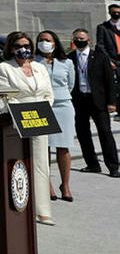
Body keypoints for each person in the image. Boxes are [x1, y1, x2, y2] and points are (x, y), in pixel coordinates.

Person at [0, 31, 55, 224]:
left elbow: (48, 92)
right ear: (11, 48)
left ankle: (42, 210)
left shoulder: (39, 67)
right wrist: (19, 111)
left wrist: (45, 108)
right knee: (19, 161)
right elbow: (6, 95)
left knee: (40, 163)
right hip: (19, 116)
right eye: (18, 46)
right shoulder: (5, 67)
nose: (23, 49)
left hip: (41, 115)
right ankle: (19, 203)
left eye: (27, 46)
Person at [68, 27, 119, 176]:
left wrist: (112, 102)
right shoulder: (69, 58)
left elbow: (109, 81)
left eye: (82, 39)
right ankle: (92, 164)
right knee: (83, 133)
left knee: (105, 132)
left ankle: (113, 166)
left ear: (89, 40)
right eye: (76, 39)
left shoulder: (99, 56)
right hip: (79, 100)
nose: (79, 41)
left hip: (98, 100)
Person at [38, 30, 75, 202]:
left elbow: (71, 84)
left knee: (63, 147)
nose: (44, 42)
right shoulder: (33, 61)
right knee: (44, 146)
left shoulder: (66, 62)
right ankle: (47, 184)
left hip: (63, 104)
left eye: (47, 40)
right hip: (42, 105)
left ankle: (65, 185)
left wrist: (60, 95)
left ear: (54, 42)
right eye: (40, 40)